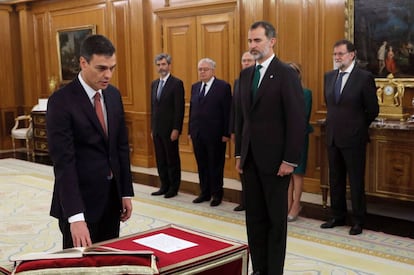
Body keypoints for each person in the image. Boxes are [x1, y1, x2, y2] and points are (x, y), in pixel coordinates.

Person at [46, 34, 134, 249]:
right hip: (79, 203)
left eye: (112, 68)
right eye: (101, 68)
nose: (108, 75)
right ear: (83, 63)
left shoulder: (113, 95)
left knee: (109, 260)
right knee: (79, 266)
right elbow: (64, 163)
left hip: (111, 200)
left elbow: (120, 147)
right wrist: (75, 217)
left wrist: (125, 191)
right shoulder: (61, 101)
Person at [234, 21, 306, 274]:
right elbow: (241, 118)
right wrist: (239, 153)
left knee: (276, 223)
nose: (253, 45)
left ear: (272, 42)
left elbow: (297, 121)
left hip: (277, 163)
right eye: (250, 41)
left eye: (258, 40)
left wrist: (290, 159)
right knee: (254, 220)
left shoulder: (286, 74)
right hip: (250, 161)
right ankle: (259, 269)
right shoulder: (244, 75)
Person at [321, 39, 379, 236]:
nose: (337, 58)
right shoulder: (329, 77)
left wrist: (358, 127)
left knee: (355, 181)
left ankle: (358, 220)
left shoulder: (364, 77)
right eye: (335, 54)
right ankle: (337, 216)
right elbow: (330, 105)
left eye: (341, 54)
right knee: (335, 178)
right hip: (332, 136)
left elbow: (372, 109)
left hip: (354, 138)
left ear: (352, 54)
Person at [188, 58, 232, 207]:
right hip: (198, 134)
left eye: (205, 69)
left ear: (213, 70)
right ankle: (204, 192)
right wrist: (190, 131)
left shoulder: (223, 87)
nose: (202, 72)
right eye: (200, 69)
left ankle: (217, 194)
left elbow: (227, 111)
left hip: (216, 135)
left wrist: (226, 133)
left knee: (215, 165)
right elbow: (192, 110)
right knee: (202, 165)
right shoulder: (195, 87)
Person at [150, 53, 185, 198]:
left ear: (169, 65)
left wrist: (176, 128)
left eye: (163, 64)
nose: (161, 67)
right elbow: (153, 108)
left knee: (172, 160)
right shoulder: (154, 84)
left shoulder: (176, 83)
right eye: (158, 65)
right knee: (160, 159)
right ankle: (164, 185)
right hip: (157, 130)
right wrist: (152, 128)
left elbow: (179, 108)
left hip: (170, 130)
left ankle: (173, 187)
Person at [286, 62, 313, 222]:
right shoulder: (281, 92)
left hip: (299, 137)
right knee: (287, 174)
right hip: (284, 139)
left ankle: (296, 205)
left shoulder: (306, 93)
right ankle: (287, 204)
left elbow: (303, 117)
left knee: (297, 173)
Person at [230, 51, 255, 211]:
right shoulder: (238, 81)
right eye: (243, 60)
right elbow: (235, 108)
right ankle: (245, 200)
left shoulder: (259, 81)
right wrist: (232, 130)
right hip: (240, 131)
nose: (246, 63)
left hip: (255, 132)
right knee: (241, 166)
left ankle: (253, 201)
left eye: (249, 60)